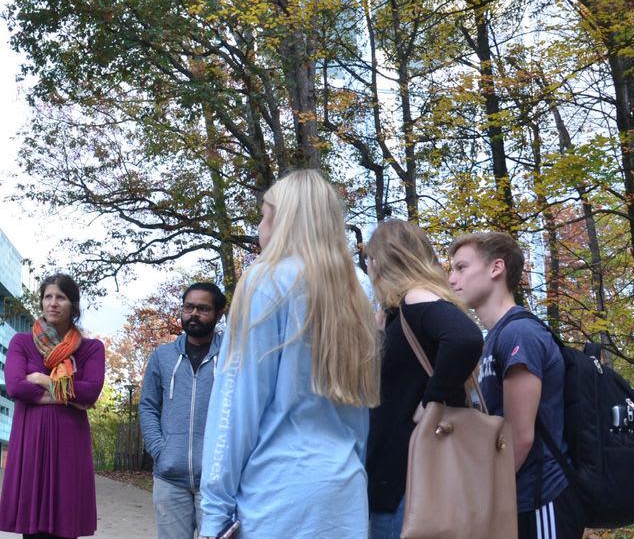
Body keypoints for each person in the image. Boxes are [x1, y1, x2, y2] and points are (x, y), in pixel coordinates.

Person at [198, 169, 381, 538]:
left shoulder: (265, 281)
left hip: (277, 498)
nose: (259, 229)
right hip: (344, 495)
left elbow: (236, 405)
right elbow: (360, 415)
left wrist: (214, 512)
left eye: (264, 216)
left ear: (283, 222)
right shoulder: (356, 292)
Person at [448, 232, 585, 539]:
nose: (452, 278)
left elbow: (519, 436)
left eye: (461, 267)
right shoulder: (493, 340)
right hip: (515, 499)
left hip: (541, 500)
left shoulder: (519, 334)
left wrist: (484, 496)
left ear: (496, 269)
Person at [363, 220, 483, 539]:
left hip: (408, 480)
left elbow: (465, 338)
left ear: (380, 262)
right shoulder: (401, 312)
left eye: (369, 261)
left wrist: (433, 400)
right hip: (409, 477)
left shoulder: (416, 297)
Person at [0, 273, 105, 539]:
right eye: (48, 297)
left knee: (66, 526)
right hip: (31, 442)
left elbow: (90, 392)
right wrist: (73, 399)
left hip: (70, 445)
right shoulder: (21, 343)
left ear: (73, 306)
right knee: (31, 529)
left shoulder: (91, 349)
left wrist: (42, 380)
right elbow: (16, 387)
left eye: (61, 297)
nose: (53, 303)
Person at [138, 282, 227, 539]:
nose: (194, 314)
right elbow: (148, 405)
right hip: (170, 479)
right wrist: (159, 449)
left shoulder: (233, 356)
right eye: (189, 307)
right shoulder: (163, 356)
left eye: (203, 308)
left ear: (218, 315)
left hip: (216, 482)